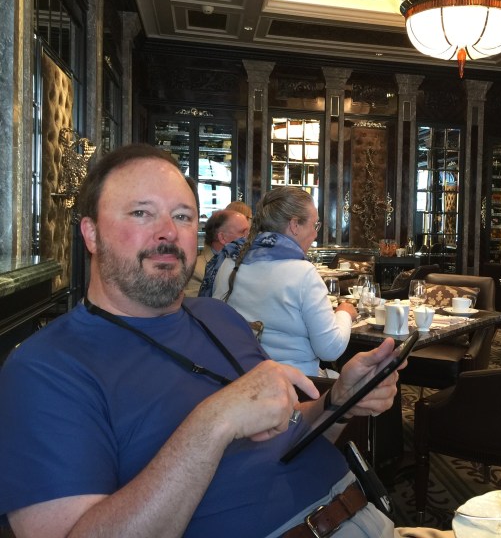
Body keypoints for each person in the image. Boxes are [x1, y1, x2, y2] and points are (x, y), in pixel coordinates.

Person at [0, 144, 449, 538]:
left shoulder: (220, 317)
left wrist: (339, 403)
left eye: (182, 216)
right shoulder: (46, 368)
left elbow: (286, 437)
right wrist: (213, 422)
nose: (167, 232)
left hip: (369, 516)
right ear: (91, 233)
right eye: (141, 212)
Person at [213, 186, 358, 376]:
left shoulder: (231, 263)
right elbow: (330, 349)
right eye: (314, 226)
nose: (315, 235)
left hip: (240, 381)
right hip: (296, 388)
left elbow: (215, 323)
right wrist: (344, 313)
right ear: (294, 225)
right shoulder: (303, 273)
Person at [185, 208, 250, 297]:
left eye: (249, 232)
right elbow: (199, 308)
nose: (249, 237)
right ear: (222, 238)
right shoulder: (195, 270)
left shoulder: (248, 262)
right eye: (243, 233)